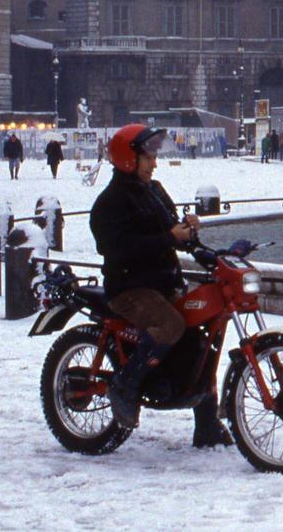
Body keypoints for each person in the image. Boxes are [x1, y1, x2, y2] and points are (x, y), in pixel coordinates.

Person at [89, 123, 232, 446]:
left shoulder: (154, 191)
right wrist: (169, 237)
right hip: (129, 288)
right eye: (148, 157)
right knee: (170, 325)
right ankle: (126, 386)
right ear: (129, 159)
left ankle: (206, 425)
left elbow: (173, 233)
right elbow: (118, 248)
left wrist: (188, 231)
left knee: (201, 335)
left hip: (164, 283)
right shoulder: (110, 203)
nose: (154, 162)